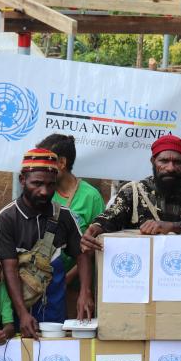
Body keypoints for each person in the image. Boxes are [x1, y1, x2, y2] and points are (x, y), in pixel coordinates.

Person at [0, 149, 94, 338]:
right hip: (16, 305)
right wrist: (22, 313)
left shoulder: (64, 216)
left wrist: (85, 292)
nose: (45, 191)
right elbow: (9, 268)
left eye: (50, 185)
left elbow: (82, 254)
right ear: (22, 180)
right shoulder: (7, 218)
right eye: (37, 184)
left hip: (54, 302)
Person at [82, 135, 181, 251]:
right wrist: (95, 228)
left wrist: (171, 227)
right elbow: (111, 217)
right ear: (153, 161)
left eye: (177, 162)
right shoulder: (133, 192)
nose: (170, 168)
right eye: (164, 161)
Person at [37, 132, 106, 315]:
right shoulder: (41, 193)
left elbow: (96, 247)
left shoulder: (91, 197)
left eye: (47, 161)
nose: (41, 167)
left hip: (76, 287)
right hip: (41, 286)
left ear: (61, 163)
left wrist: (67, 278)